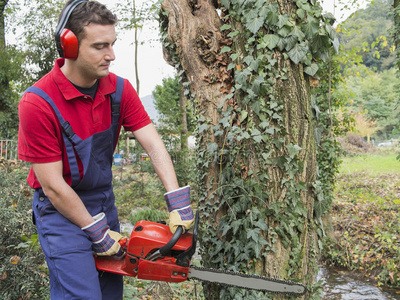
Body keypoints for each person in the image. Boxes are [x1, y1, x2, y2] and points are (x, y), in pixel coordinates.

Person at [17, 0, 194, 299]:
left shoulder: (119, 89)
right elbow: (53, 185)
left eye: (112, 44)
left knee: (110, 294)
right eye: (100, 46)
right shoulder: (38, 102)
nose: (110, 55)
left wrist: (177, 198)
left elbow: (153, 143)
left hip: (103, 203)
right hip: (60, 212)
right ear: (69, 46)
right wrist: (91, 228)